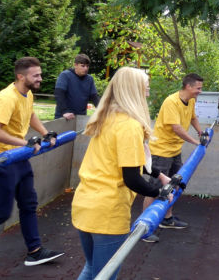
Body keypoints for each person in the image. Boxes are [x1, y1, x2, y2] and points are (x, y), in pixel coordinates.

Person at [72, 67, 172, 279]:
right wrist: (161, 192)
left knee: (92, 269)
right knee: (106, 275)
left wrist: (159, 175)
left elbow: (132, 161)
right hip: (107, 211)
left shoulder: (107, 117)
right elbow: (132, 178)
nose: (148, 91)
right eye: (145, 88)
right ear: (133, 90)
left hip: (85, 204)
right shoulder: (129, 126)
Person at [0, 57, 64, 273]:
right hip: (0, 161)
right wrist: (25, 142)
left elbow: (29, 114)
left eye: (39, 74)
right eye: (36, 75)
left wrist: (44, 133)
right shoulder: (6, 98)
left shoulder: (27, 93)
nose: (40, 78)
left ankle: (35, 251)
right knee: (1, 213)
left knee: (28, 204)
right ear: (21, 76)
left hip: (19, 158)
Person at [142, 73, 205, 242]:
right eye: (198, 88)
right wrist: (195, 142)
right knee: (154, 189)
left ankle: (167, 218)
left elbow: (192, 117)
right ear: (188, 87)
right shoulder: (171, 102)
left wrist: (200, 131)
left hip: (175, 149)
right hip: (161, 151)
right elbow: (176, 127)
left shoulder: (190, 100)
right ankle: (143, 227)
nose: (200, 91)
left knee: (175, 185)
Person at [54, 53, 100, 120]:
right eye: (83, 66)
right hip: (64, 117)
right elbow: (59, 94)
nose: (86, 68)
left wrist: (102, 110)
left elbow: (94, 97)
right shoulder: (65, 75)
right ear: (75, 65)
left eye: (87, 66)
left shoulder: (89, 79)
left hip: (80, 118)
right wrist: (65, 111)